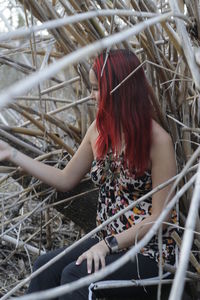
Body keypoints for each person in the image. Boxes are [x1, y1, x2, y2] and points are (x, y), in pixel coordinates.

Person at [0, 49, 177, 299]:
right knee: (45, 267)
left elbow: (162, 217)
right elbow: (65, 179)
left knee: (74, 277)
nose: (91, 96)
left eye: (96, 89)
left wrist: (108, 245)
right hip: (106, 242)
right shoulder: (100, 130)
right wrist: (12, 154)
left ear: (120, 90)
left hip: (149, 254)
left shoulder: (158, 142)